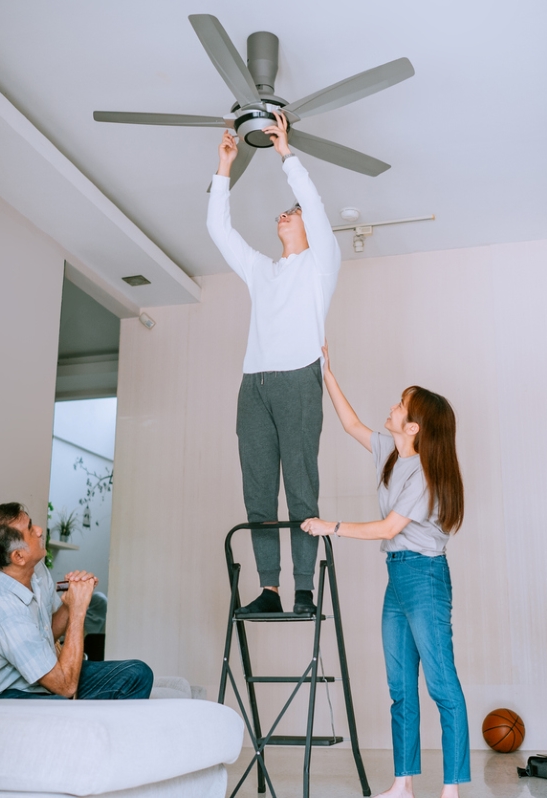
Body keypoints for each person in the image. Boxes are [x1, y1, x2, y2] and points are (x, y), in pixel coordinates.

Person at [301, 346, 470, 798]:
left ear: (413, 427)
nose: (392, 408)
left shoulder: (425, 476)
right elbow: (351, 424)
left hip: (425, 578)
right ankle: (403, 783)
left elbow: (387, 527)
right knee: (400, 687)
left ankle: (452, 789)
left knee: (441, 685)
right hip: (397, 577)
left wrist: (330, 526)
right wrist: (326, 373)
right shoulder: (391, 453)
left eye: (401, 405)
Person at [207, 110, 341, 616]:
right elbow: (218, 230)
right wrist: (224, 169)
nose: (285, 215)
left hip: (298, 380)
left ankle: (304, 588)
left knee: (301, 488)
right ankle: (269, 589)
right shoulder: (263, 272)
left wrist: (285, 152)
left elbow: (314, 205)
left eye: (293, 211)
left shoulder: (321, 265)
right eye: (283, 212)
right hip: (254, 386)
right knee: (258, 491)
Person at [0, 502, 153, 701]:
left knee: (137, 673)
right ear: (18, 556)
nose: (40, 530)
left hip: (37, 684)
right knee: (60, 703)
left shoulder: (36, 571)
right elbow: (65, 687)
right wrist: (77, 613)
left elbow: (46, 629)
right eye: (30, 529)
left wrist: (69, 602)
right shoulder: (3, 610)